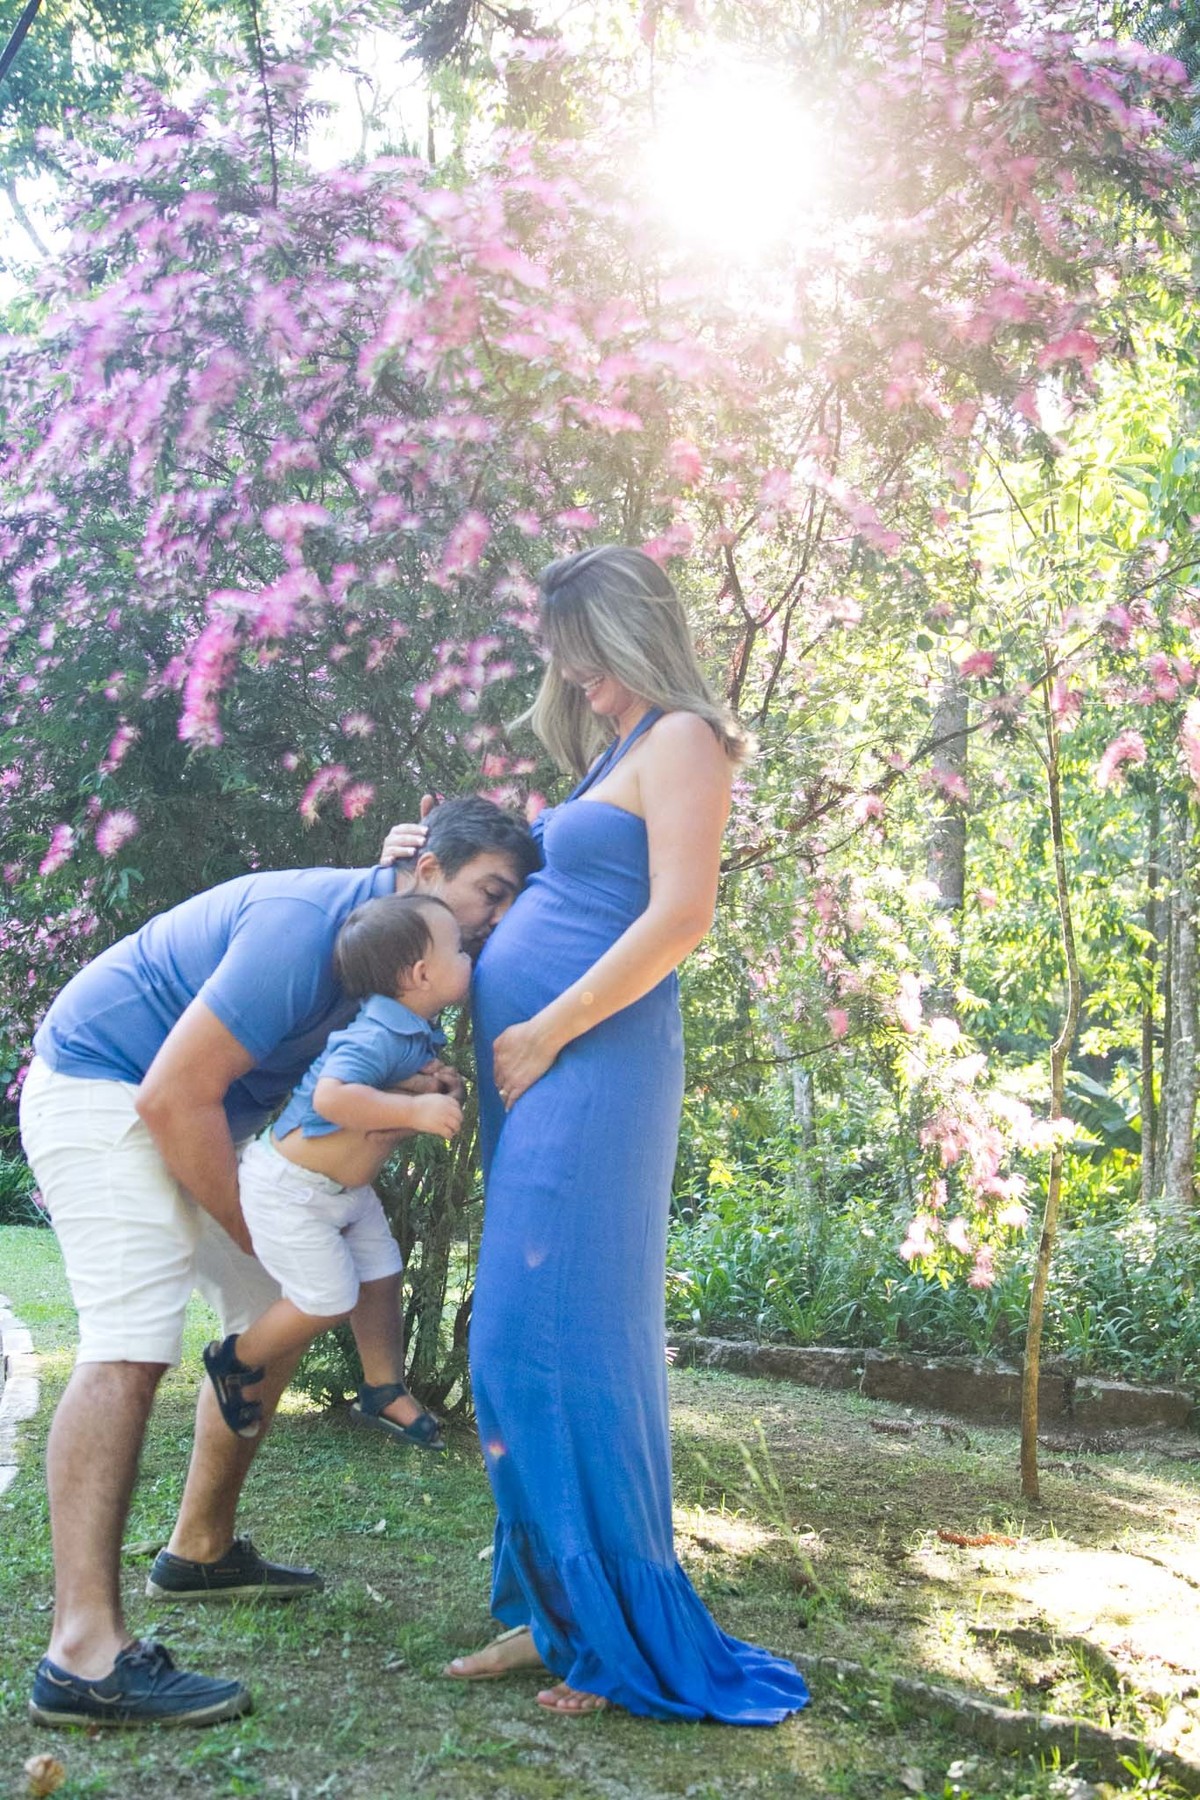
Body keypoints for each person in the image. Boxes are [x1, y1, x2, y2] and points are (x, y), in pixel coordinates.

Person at [19, 796, 537, 1729]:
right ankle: (82, 1654)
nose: (494, 925)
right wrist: (265, 1233)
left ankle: (201, 1549)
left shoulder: (388, 952)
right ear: (426, 872)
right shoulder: (308, 931)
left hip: (200, 1112)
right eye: (489, 895)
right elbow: (174, 1096)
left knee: (281, 1304)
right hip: (109, 1084)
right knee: (132, 1339)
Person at [442, 546, 811, 1722]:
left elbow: (683, 913)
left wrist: (545, 1028)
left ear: (636, 634)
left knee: (547, 1341)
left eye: (591, 657)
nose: (580, 680)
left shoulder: (686, 738)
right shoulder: (615, 748)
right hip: (546, 1072)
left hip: (593, 1065)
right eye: (568, 662)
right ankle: (550, 1616)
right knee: (523, 1340)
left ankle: (609, 1628)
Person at [204, 893, 470, 1447]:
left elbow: (393, 1083)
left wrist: (438, 1082)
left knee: (382, 1271)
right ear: (421, 973)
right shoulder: (374, 1032)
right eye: (460, 949)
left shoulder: (411, 1030)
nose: (470, 957)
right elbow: (331, 1098)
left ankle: (382, 1387)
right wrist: (416, 1109)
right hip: (291, 1192)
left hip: (346, 1192)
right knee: (327, 1299)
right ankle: (235, 1359)